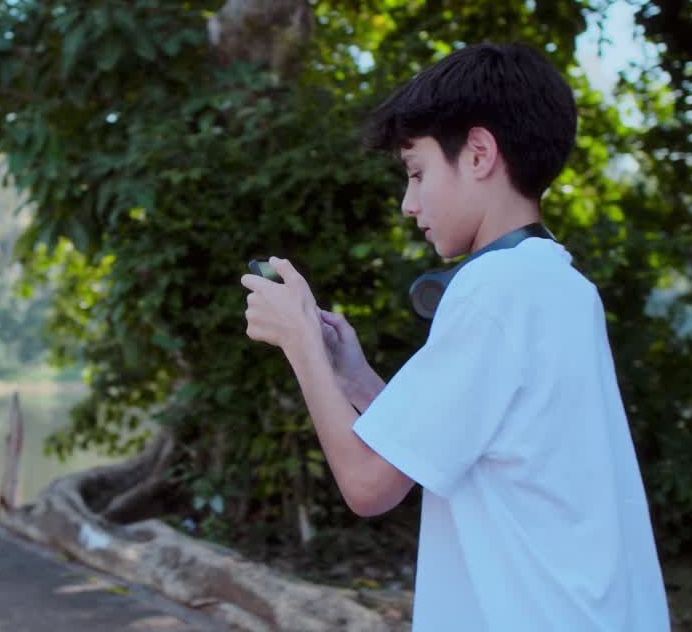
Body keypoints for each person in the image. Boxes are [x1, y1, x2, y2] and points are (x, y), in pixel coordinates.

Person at [241, 42, 669, 630]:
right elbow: (462, 442)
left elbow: (369, 486)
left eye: (417, 174)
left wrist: (302, 347)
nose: (408, 204)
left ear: (478, 154)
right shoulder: (559, 283)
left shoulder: (494, 290)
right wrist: (352, 375)